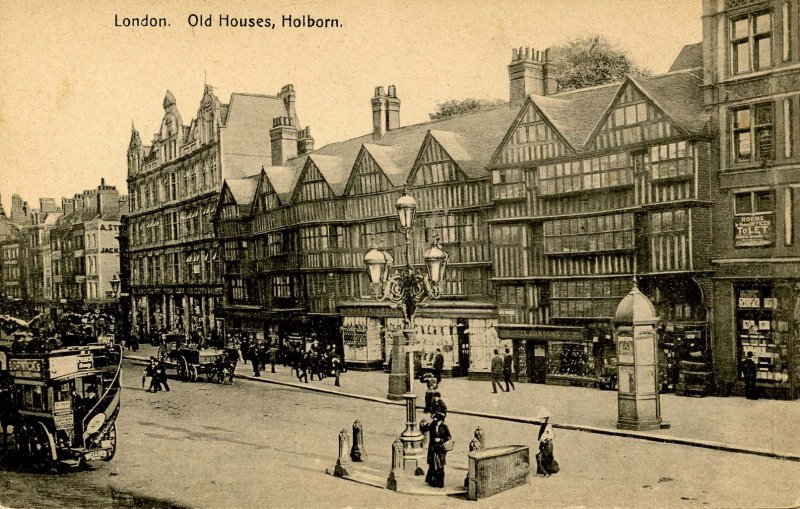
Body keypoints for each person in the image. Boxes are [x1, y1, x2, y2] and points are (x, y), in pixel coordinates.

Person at [420, 411, 451, 488]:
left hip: (440, 449)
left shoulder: (444, 427)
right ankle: (432, 481)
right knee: (432, 465)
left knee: (440, 465)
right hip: (433, 448)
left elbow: (448, 437)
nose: (435, 420)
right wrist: (430, 422)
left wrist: (440, 440)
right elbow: (424, 429)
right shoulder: (432, 425)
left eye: (436, 419)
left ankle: (440, 483)